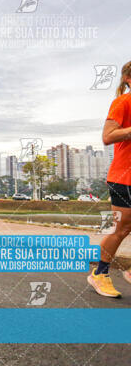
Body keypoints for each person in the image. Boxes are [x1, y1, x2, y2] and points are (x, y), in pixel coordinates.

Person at [88, 61, 131, 298]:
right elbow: (108, 136)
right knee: (121, 229)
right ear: (128, 79)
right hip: (124, 177)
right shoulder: (123, 102)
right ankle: (99, 274)